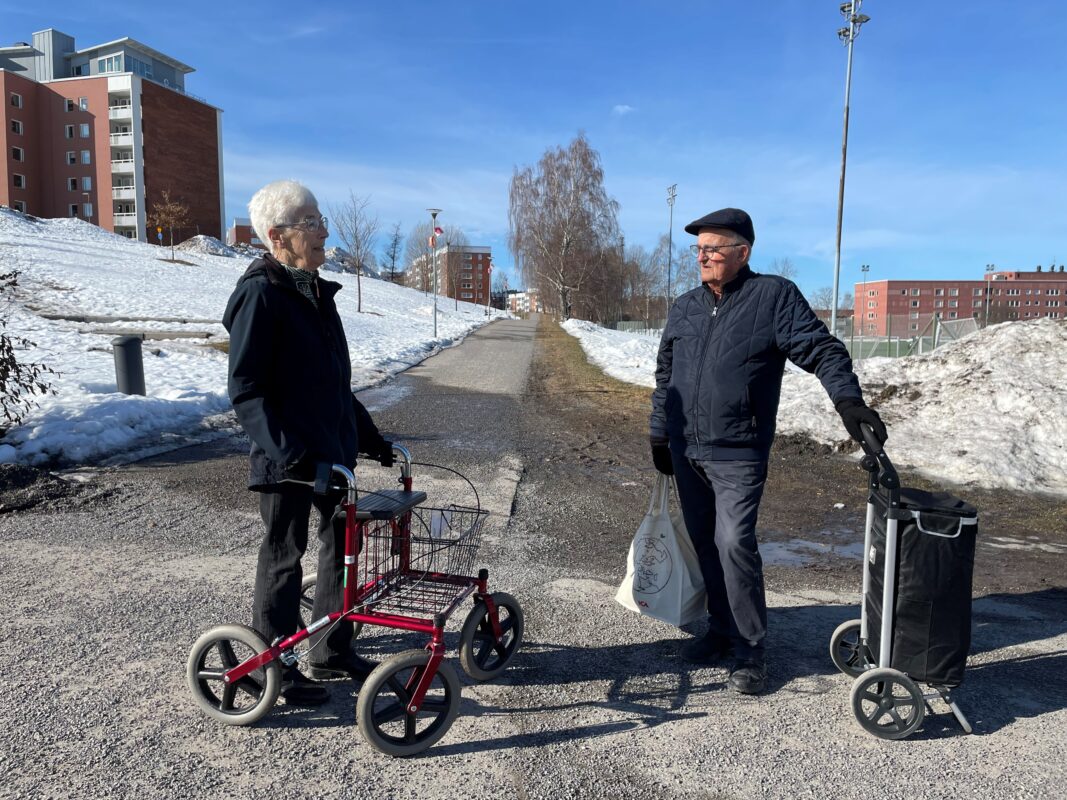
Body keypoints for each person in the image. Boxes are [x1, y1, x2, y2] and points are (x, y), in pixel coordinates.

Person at [649, 208, 886, 695]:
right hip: (686, 447)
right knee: (705, 543)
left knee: (734, 543)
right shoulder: (685, 306)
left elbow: (822, 349)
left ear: (743, 252)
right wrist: (659, 433)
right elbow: (664, 375)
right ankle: (719, 630)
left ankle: (749, 648)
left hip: (738, 450)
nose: (703, 257)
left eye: (713, 248)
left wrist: (848, 402)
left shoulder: (772, 297)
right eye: (698, 249)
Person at [222, 180, 395, 705]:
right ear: (278, 236)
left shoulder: (316, 292)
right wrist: (287, 451)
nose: (325, 231)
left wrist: (370, 438)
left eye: (321, 219)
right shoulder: (261, 293)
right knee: (284, 556)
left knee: (342, 546)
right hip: (289, 459)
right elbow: (246, 390)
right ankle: (270, 662)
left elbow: (334, 385)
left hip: (332, 455)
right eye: (312, 222)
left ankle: (327, 645)